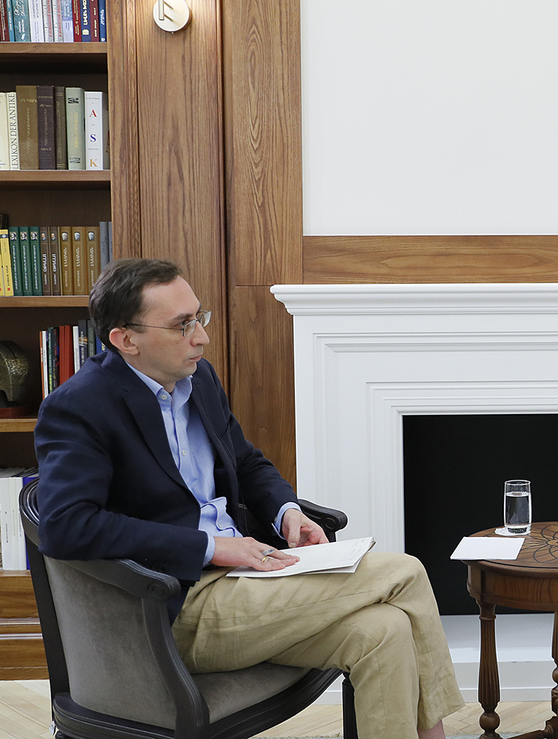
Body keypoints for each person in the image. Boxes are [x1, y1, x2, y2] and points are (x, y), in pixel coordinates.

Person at [35, 258, 465, 739]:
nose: (201, 337)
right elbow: (66, 525)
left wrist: (287, 512)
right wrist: (213, 547)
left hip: (247, 579)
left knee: (385, 631)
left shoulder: (198, 379)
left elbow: (245, 462)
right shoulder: (80, 406)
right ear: (125, 339)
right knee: (405, 570)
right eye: (182, 325)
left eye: (199, 317)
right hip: (174, 605)